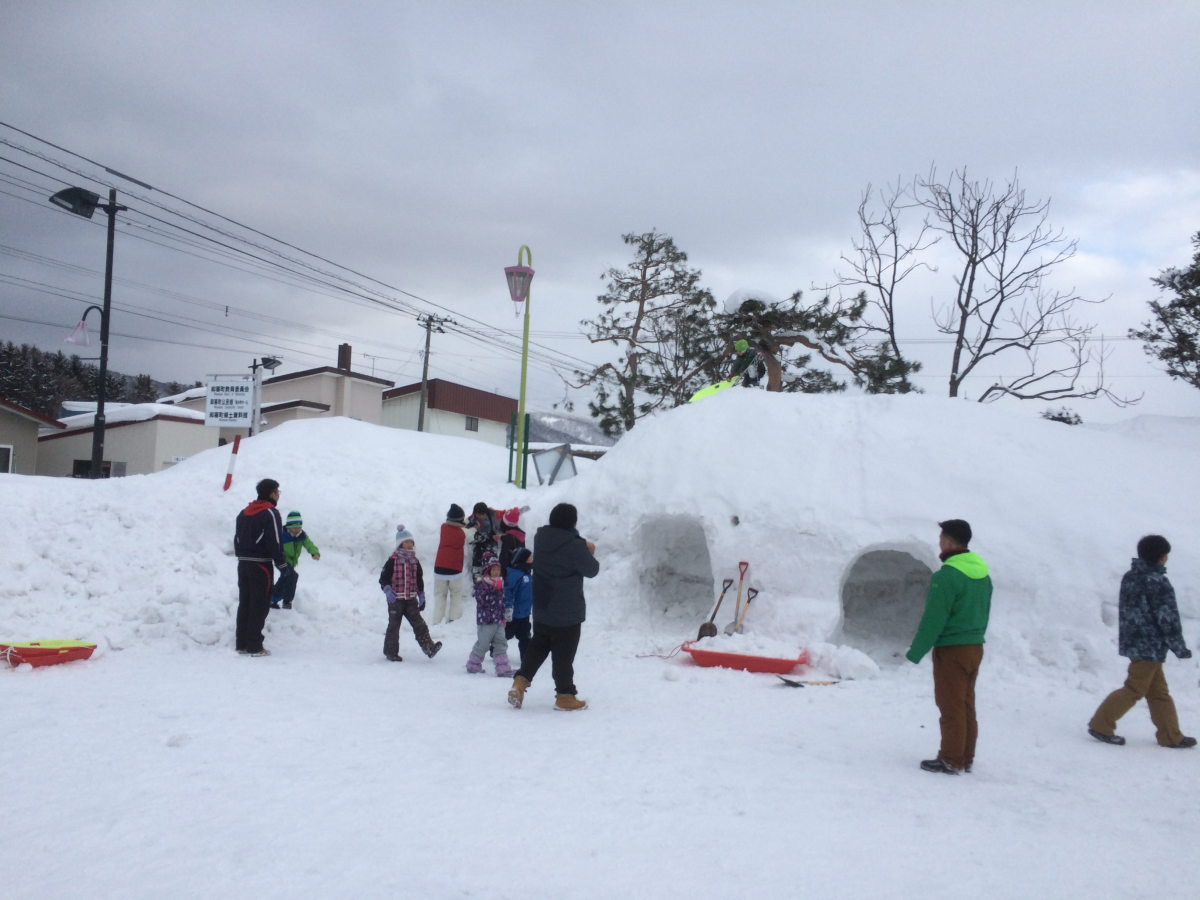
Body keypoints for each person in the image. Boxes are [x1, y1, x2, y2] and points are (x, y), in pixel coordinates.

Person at [1087, 535, 1195, 749]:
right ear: (1162, 557)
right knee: (1134, 689)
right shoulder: (1158, 582)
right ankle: (1100, 724)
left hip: (1134, 642)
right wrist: (1179, 647)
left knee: (1158, 692)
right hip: (1150, 646)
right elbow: (1167, 619)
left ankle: (1170, 736)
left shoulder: (1131, 576)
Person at [905, 519, 993, 774]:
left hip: (952, 650)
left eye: (941, 538)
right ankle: (965, 756)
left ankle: (951, 759)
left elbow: (934, 619)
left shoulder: (947, 576)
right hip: (975, 647)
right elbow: (984, 611)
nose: (939, 542)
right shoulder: (982, 574)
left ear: (949, 542)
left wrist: (916, 652)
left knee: (950, 706)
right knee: (966, 704)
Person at [508, 503, 600, 711]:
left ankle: (520, 682)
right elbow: (592, 570)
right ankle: (565, 695)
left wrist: (581, 543)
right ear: (573, 522)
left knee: (538, 646)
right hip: (567, 611)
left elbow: (561, 545)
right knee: (563, 655)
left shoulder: (541, 538)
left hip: (542, 605)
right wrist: (587, 548)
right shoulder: (576, 546)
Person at [234, 478, 291, 656]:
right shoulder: (270, 513)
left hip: (243, 563)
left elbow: (237, 538)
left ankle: (241, 643)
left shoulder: (244, 512)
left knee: (245, 602)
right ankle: (254, 645)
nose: (278, 496)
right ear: (271, 494)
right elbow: (275, 541)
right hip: (261, 566)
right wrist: (282, 564)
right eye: (278, 492)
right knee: (260, 604)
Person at [378, 525, 442, 662]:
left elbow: (419, 579)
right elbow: (383, 578)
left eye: (411, 542)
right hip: (395, 600)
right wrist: (387, 589)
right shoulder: (392, 560)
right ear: (400, 544)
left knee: (419, 624)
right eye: (406, 542)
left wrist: (421, 594)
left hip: (411, 599)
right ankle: (390, 652)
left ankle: (429, 648)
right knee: (394, 626)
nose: (409, 545)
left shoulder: (415, 561)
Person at [467, 552, 511, 676]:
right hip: (486, 621)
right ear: (487, 571)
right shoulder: (482, 585)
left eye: (498, 569)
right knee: (483, 644)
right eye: (494, 570)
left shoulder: (500, 584)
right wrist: (495, 591)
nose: (497, 572)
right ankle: (473, 664)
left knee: (501, 642)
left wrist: (504, 615)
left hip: (498, 620)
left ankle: (502, 667)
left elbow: (502, 602)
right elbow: (483, 600)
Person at [270, 510, 320, 609]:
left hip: (291, 562)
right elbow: (273, 545)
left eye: (299, 527)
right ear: (289, 527)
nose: (297, 529)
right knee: (291, 575)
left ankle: (274, 599)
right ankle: (285, 601)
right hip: (281, 560)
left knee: (287, 577)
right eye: (295, 527)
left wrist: (314, 553)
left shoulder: (302, 536)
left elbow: (309, 544)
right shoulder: (282, 535)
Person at [431, 503, 469, 624]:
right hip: (454, 570)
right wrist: (473, 526)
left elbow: (456, 525)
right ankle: (454, 618)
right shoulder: (463, 533)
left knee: (440, 595)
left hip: (439, 569)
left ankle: (437, 620)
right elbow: (471, 534)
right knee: (456, 594)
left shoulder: (443, 528)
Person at [504, 547, 534, 664]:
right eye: (529, 557)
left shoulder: (526, 572)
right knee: (507, 634)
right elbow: (508, 592)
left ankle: (526, 657)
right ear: (522, 560)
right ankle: (495, 649)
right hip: (514, 614)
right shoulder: (515, 575)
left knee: (525, 636)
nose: (532, 559)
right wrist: (508, 607)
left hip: (525, 613)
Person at [469, 502, 502, 583]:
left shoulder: (492, 515)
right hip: (479, 541)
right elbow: (467, 535)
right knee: (477, 554)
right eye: (478, 515)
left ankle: (492, 574)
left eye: (482, 515)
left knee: (491, 555)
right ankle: (477, 575)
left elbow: (505, 514)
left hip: (491, 539)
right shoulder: (471, 520)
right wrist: (477, 537)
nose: (480, 517)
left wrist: (498, 535)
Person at [498, 506, 526, 579]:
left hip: (510, 574)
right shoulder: (520, 534)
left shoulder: (509, 538)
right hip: (519, 571)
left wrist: (502, 574)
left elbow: (504, 559)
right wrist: (501, 538)